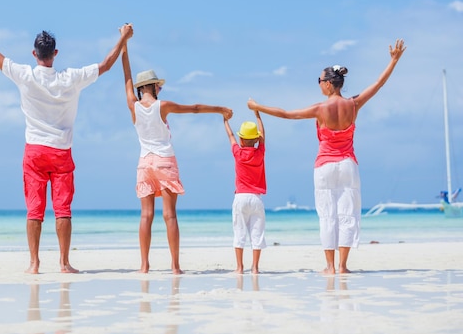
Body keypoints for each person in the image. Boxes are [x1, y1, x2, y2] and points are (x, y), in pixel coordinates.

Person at [0, 7, 133, 274]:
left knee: (35, 210)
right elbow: (105, 65)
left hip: (34, 152)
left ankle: (34, 263)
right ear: (55, 54)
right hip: (61, 152)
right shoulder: (70, 79)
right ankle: (64, 263)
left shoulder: (25, 74)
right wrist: (123, 39)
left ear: (34, 54)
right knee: (63, 210)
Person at [248, 39, 406, 274]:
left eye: (320, 81)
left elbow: (286, 114)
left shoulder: (319, 109)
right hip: (348, 166)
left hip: (324, 167)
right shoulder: (354, 104)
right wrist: (393, 60)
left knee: (327, 217)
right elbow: (378, 84)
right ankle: (343, 266)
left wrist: (256, 106)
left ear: (330, 85)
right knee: (347, 215)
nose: (319, 85)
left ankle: (330, 266)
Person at [120, 39, 232, 274]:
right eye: (158, 86)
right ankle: (175, 266)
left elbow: (127, 76)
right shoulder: (163, 106)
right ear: (152, 86)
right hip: (164, 160)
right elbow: (195, 108)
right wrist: (220, 109)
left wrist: (124, 45)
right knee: (169, 215)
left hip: (144, 163)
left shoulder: (133, 105)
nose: (160, 90)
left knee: (146, 215)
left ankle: (144, 265)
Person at [223, 111, 267, 274]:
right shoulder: (259, 153)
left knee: (239, 233)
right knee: (257, 234)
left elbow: (230, 136)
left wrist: (225, 121)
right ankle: (255, 267)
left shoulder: (238, 153)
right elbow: (263, 135)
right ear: (256, 140)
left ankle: (240, 267)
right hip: (256, 198)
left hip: (240, 197)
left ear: (241, 140)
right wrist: (258, 115)